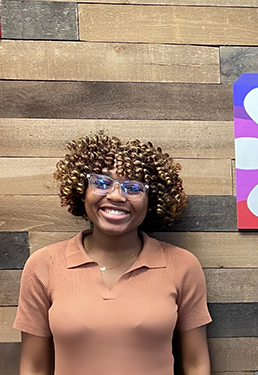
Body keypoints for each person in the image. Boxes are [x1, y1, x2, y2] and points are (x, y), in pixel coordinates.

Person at [14, 133, 212, 375]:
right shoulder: (44, 265)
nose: (117, 196)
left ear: (152, 200)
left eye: (133, 187)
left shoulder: (182, 265)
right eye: (101, 183)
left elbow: (196, 364)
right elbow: (33, 367)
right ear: (82, 190)